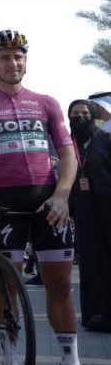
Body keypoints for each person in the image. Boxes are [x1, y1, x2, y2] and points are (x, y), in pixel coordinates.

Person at [0, 29, 87, 365]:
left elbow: (68, 154)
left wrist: (62, 196)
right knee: (7, 281)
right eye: (5, 57)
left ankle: (69, 360)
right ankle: (10, 352)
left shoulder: (47, 103)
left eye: (18, 56)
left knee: (59, 283)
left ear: (25, 61)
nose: (12, 63)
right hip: (5, 204)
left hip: (48, 203)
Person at [67, 100, 111, 331]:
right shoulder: (66, 143)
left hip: (107, 207)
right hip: (83, 210)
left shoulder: (105, 139)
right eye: (75, 113)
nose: (81, 117)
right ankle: (93, 314)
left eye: (85, 113)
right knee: (89, 261)